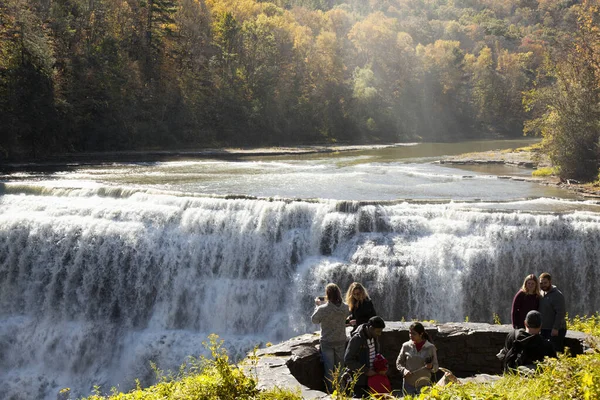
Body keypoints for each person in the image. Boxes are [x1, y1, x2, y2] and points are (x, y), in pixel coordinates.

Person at [311, 283, 349, 392]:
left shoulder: (323, 309)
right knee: (340, 368)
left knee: (329, 368)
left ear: (327, 294)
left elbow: (314, 320)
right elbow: (342, 316)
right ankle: (341, 389)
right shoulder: (345, 307)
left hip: (327, 342)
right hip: (341, 340)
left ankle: (331, 391)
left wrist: (318, 305)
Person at [344, 316, 386, 398]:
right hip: (359, 381)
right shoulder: (357, 339)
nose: (379, 334)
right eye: (378, 331)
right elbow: (348, 360)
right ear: (370, 328)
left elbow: (376, 355)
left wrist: (382, 366)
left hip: (373, 378)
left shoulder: (374, 337)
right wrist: (366, 371)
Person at [396, 322, 439, 396]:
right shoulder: (406, 346)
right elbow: (399, 363)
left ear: (421, 334)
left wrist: (431, 367)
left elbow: (436, 367)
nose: (410, 335)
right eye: (409, 333)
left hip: (424, 385)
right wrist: (404, 371)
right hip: (408, 385)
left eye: (413, 333)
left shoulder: (430, 348)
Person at [539, 272, 567, 353]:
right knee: (545, 353)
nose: (543, 285)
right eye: (541, 283)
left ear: (550, 282)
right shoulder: (541, 293)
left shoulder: (557, 295)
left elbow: (561, 313)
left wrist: (555, 328)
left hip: (556, 330)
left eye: (545, 283)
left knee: (556, 352)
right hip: (544, 329)